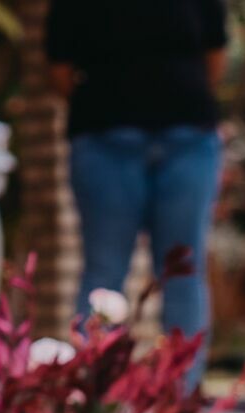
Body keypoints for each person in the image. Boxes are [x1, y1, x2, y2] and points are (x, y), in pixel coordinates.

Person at [45, 0, 228, 378]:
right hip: (105, 143)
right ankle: (87, 411)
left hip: (187, 140)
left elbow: (215, 54)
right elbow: (59, 67)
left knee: (183, 272)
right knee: (103, 273)